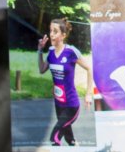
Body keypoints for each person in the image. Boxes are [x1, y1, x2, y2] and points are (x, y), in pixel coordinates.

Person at [37, 18, 94, 146]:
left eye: (55, 31)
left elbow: (89, 69)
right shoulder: (51, 52)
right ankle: (74, 145)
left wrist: (88, 94)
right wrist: (40, 50)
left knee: (54, 138)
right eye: (50, 31)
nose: (51, 34)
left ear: (63, 35)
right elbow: (42, 69)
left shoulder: (71, 52)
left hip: (71, 105)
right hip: (59, 104)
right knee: (70, 140)